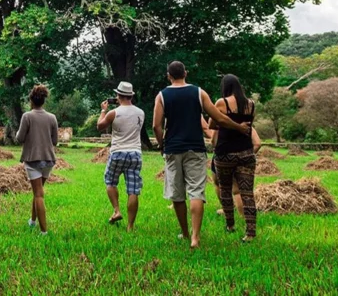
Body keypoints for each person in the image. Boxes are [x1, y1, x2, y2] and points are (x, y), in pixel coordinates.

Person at [152, 61, 250, 249]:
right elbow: (219, 118)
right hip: (196, 148)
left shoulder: (162, 96)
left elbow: (156, 125)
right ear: (186, 73)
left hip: (173, 149)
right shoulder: (199, 92)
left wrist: (162, 145)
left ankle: (185, 232)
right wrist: (239, 127)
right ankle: (195, 237)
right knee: (196, 192)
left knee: (177, 194)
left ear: (168, 76)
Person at [210, 74, 260, 242]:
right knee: (247, 193)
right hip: (246, 152)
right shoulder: (251, 104)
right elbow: (250, 125)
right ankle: (251, 233)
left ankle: (230, 225)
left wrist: (226, 123)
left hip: (225, 152)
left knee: (225, 189)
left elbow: (211, 124)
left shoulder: (221, 103)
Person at [97, 82, 145, 231]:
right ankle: (130, 226)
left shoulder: (114, 113)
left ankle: (117, 210)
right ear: (131, 95)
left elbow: (100, 126)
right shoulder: (140, 112)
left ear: (118, 95)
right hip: (135, 153)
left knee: (110, 182)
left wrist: (103, 111)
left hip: (118, 152)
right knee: (133, 190)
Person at [16, 85, 58, 235]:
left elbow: (20, 138)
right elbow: (55, 141)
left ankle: (44, 231)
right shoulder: (52, 118)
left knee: (39, 194)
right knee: (38, 191)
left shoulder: (27, 116)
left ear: (31, 100)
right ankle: (32, 221)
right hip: (49, 160)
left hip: (33, 159)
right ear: (44, 100)